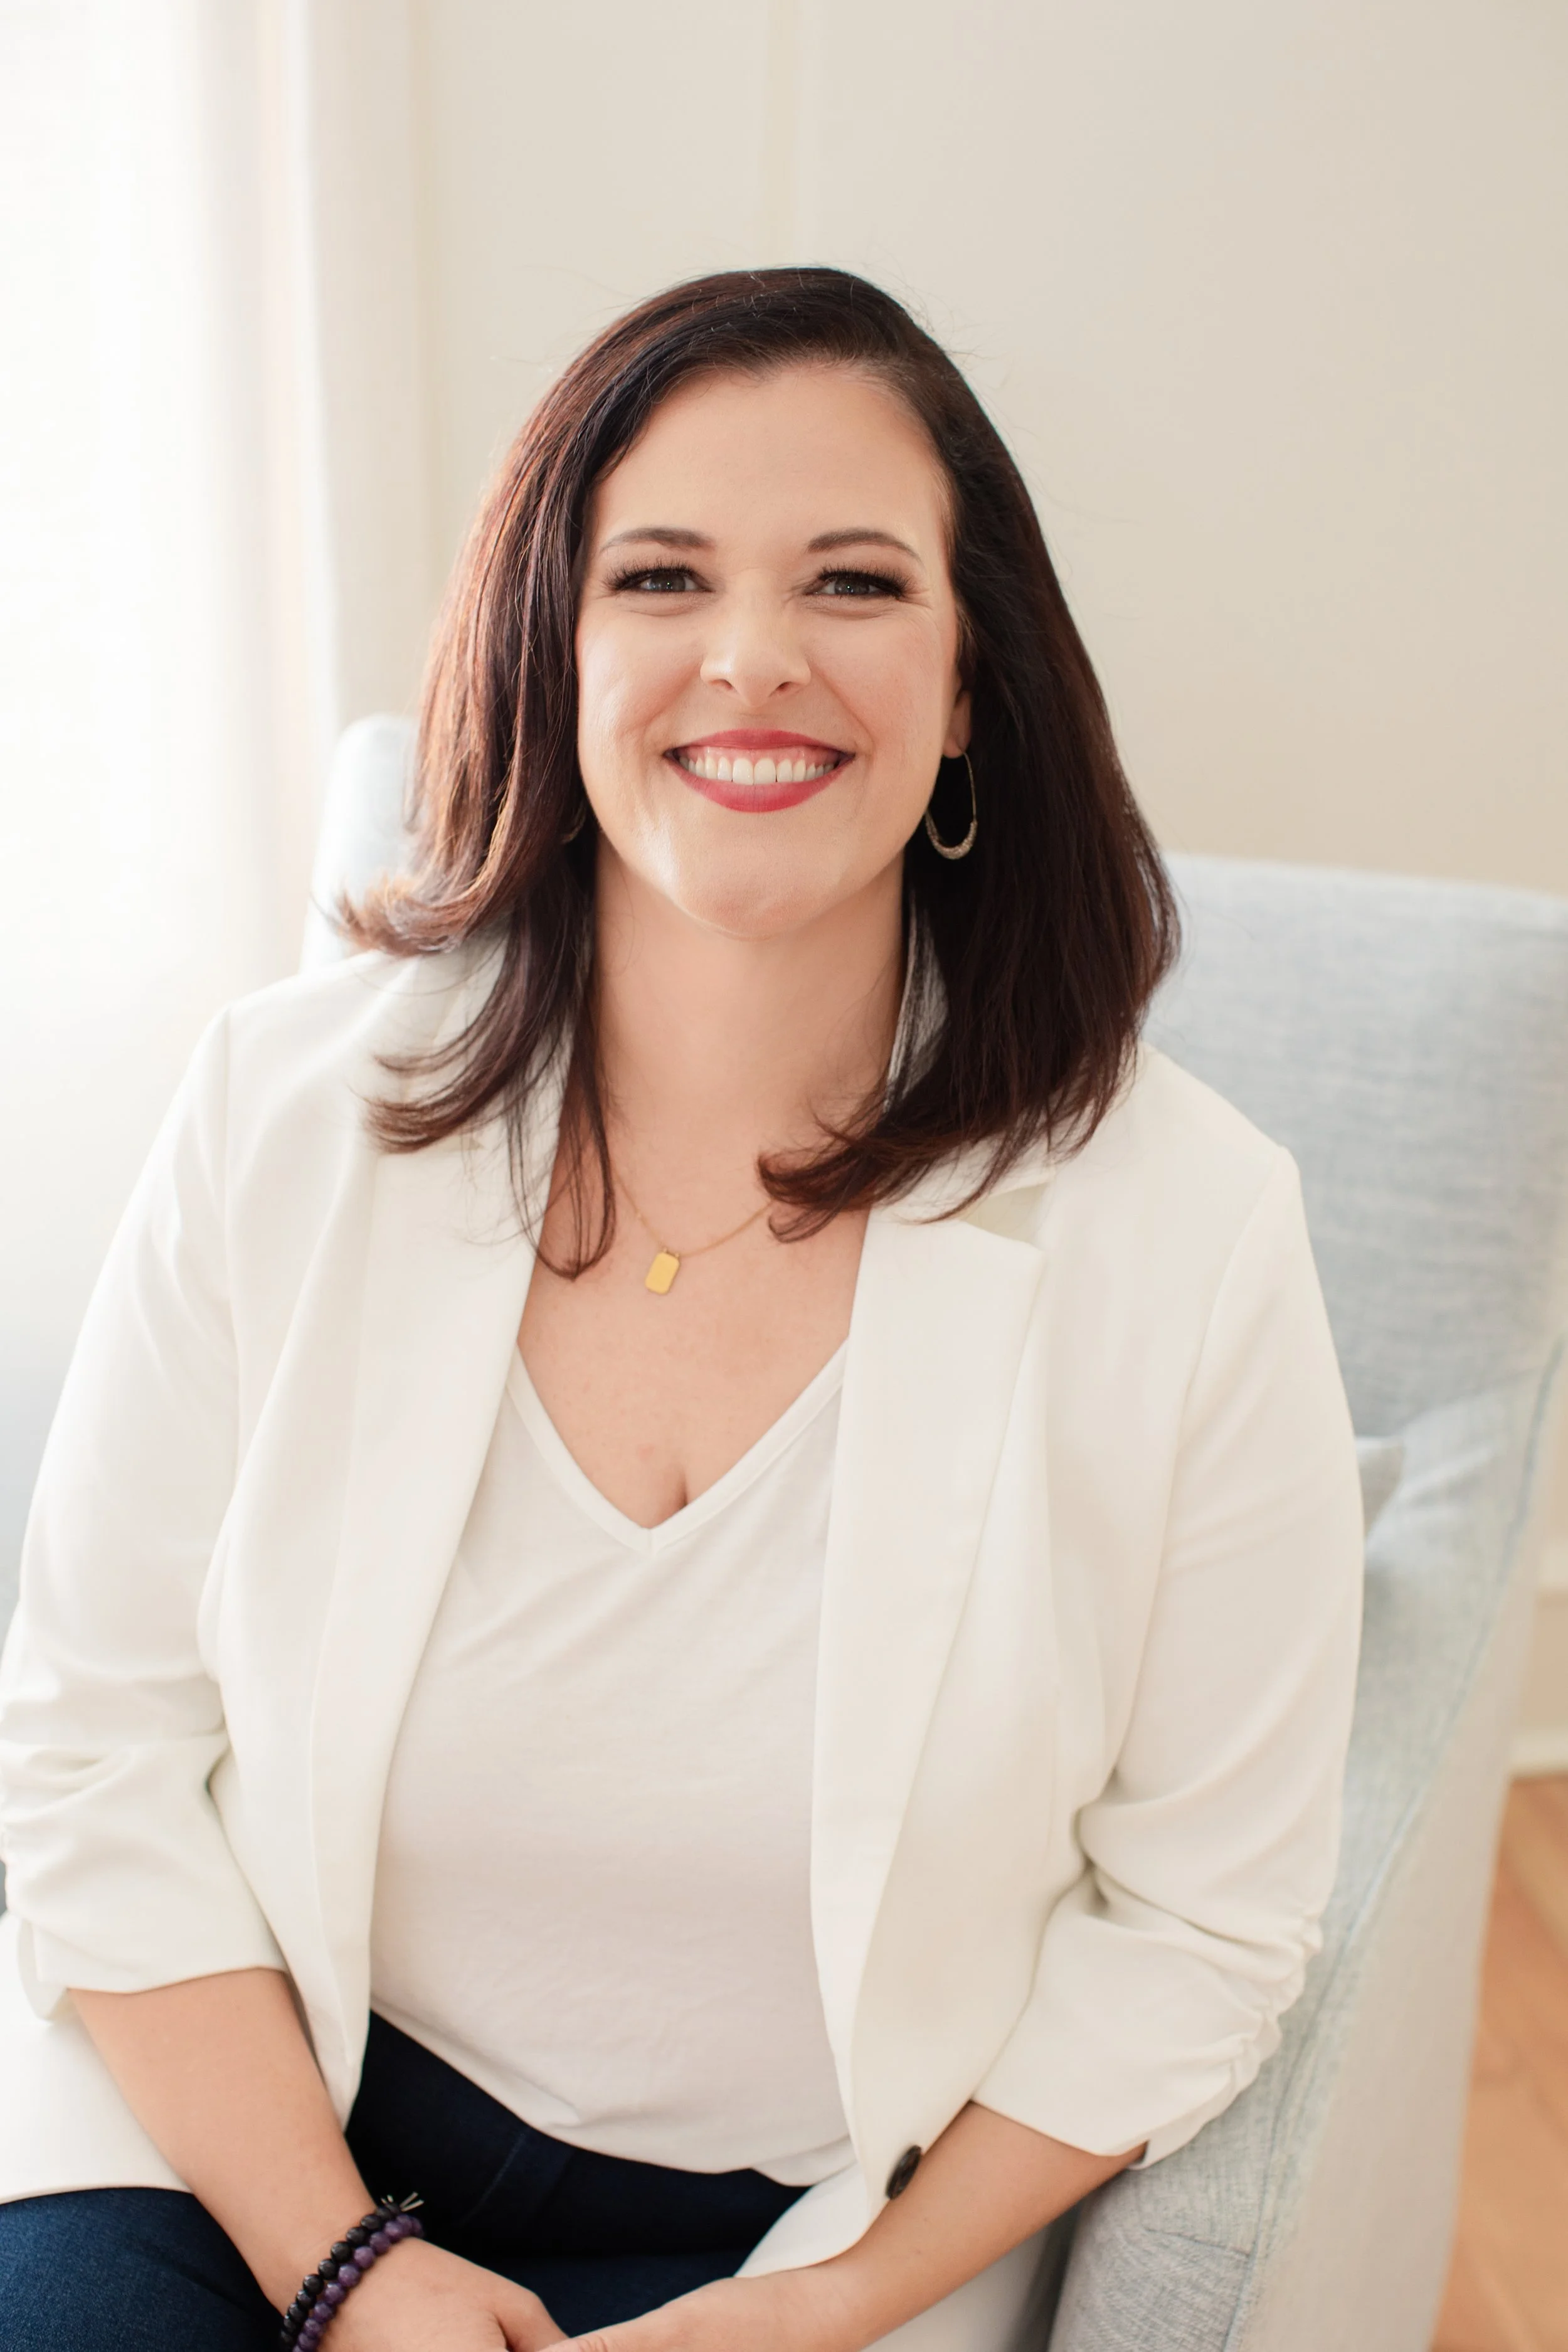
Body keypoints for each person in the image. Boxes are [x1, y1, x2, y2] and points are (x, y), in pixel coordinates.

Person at [0, 267, 1363, 2351]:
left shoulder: (1182, 1230)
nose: (753, 659)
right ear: (553, 655)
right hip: (245, 2136)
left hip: (779, 2240)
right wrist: (344, 2265)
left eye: (851, 582)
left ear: (971, 678)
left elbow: (1204, 1917)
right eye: (659, 575)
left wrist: (841, 2298)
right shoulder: (289, 1111)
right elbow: (90, 1751)